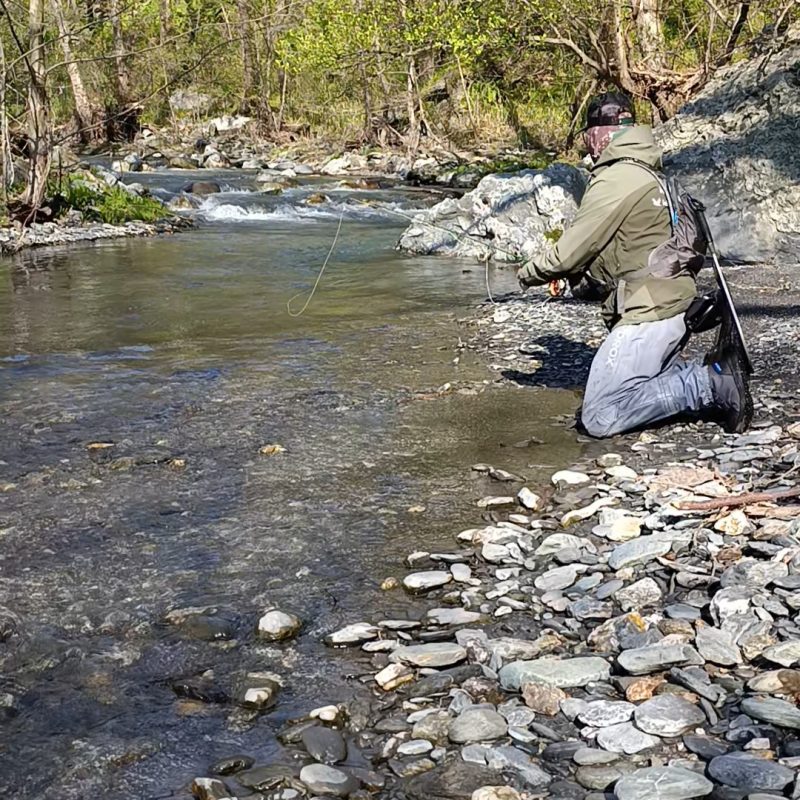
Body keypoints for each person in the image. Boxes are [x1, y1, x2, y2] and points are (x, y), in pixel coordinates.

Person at [516, 92, 752, 437]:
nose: (587, 144)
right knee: (633, 390)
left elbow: (569, 251)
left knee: (599, 416)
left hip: (650, 311)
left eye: (587, 134)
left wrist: (526, 273)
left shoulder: (618, 177)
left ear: (602, 133)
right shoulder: (652, 174)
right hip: (673, 305)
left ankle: (710, 383)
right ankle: (680, 378)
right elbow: (623, 252)